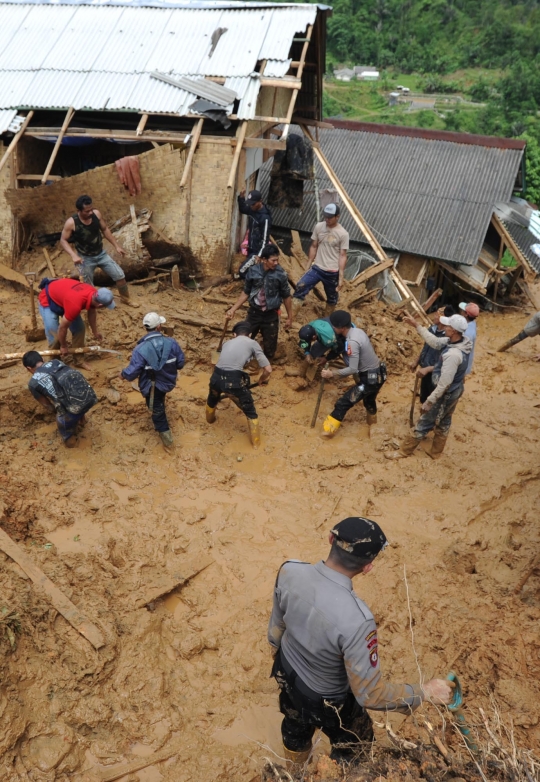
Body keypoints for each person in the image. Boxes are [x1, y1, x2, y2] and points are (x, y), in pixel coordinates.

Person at [268, 516, 454, 767]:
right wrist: (425, 692)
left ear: (330, 539)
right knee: (356, 745)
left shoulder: (290, 569)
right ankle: (335, 772)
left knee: (294, 727)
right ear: (368, 567)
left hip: (286, 671)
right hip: (328, 700)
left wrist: (284, 664)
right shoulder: (358, 620)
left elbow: (275, 632)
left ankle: (294, 768)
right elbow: (370, 695)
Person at [386, 313, 472, 460]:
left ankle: (403, 451)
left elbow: (444, 385)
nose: (444, 327)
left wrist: (429, 401)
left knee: (425, 421)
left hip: (446, 393)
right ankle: (435, 452)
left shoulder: (453, 355)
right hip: (455, 390)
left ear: (454, 331)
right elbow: (434, 342)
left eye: (448, 326)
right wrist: (417, 326)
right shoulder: (458, 341)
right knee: (445, 420)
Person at [120, 313, 185, 448]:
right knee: (159, 399)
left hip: (152, 386)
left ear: (146, 327)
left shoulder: (140, 349)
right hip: (168, 382)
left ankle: (168, 444)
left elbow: (132, 372)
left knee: (158, 413)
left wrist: (123, 374)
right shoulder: (172, 343)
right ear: (159, 326)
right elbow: (180, 363)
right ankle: (159, 405)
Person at [206, 320, 272, 448]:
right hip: (233, 380)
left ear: (234, 335)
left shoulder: (227, 343)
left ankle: (209, 421)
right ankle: (256, 444)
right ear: (250, 334)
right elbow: (268, 369)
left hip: (215, 377)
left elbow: (217, 362)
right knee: (250, 410)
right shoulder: (252, 343)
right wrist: (262, 379)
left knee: (212, 398)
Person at [60, 195, 137, 306]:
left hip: (101, 254)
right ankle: (93, 304)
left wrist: (117, 246)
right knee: (88, 285)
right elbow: (63, 240)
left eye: (91, 209)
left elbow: (105, 229)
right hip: (84, 258)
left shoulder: (96, 214)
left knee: (120, 275)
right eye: (87, 211)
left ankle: (126, 298)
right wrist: (73, 255)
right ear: (79, 211)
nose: (90, 212)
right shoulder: (72, 223)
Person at [320, 310, 386, 437]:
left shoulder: (352, 342)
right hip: (379, 375)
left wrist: (331, 374)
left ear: (342, 328)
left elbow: (352, 369)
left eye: (335, 326)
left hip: (369, 380)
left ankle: (327, 431)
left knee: (344, 402)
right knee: (369, 401)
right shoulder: (358, 331)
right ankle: (373, 424)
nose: (333, 328)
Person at [226, 244, 293, 360]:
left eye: (277, 260)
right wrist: (233, 309)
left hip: (271, 314)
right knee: (245, 339)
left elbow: (286, 296)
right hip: (254, 313)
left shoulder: (281, 274)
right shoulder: (253, 271)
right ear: (264, 260)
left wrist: (290, 317)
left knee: (270, 345)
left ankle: (266, 365)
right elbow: (246, 292)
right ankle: (244, 360)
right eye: (273, 260)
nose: (276, 263)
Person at [23, 350, 98, 448]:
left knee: (61, 420)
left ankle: (71, 442)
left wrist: (58, 412)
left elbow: (48, 405)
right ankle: (82, 420)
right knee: (73, 395)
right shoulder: (56, 362)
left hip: (73, 409)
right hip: (90, 397)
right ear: (43, 359)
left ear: (28, 368)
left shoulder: (33, 383)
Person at [38, 277, 115, 369]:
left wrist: (95, 331)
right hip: (49, 299)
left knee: (80, 329)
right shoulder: (75, 304)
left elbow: (92, 312)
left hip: (65, 297)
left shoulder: (94, 294)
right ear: (100, 305)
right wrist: (63, 346)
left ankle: (79, 360)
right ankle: (55, 362)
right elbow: (62, 328)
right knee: (53, 332)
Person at [292, 204, 349, 317]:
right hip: (317, 268)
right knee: (301, 285)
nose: (327, 219)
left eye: (330, 217)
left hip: (332, 272)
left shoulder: (343, 234)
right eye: (325, 216)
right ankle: (291, 316)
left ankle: (326, 319)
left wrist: (341, 277)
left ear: (337, 216)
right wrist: (308, 264)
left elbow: (343, 255)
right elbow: (314, 246)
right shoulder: (319, 227)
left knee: (332, 298)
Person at [411, 305, 454, 403]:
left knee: (433, 401)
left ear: (444, 319)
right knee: (423, 399)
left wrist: (428, 369)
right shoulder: (432, 329)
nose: (434, 316)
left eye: (437, 315)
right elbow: (425, 347)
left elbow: (445, 364)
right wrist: (417, 361)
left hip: (436, 374)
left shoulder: (448, 338)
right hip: (424, 371)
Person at [290, 318, 345, 389]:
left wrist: (326, 358)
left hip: (344, 336)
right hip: (329, 331)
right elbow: (307, 342)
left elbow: (339, 349)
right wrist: (307, 353)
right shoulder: (310, 326)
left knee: (350, 363)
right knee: (313, 353)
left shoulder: (328, 339)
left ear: (314, 337)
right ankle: (302, 373)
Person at [236, 189, 272, 279]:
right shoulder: (253, 210)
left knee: (242, 271)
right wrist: (241, 198)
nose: (251, 206)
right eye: (250, 204)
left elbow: (265, 239)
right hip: (250, 248)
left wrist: (259, 255)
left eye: (253, 204)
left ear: (260, 201)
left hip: (256, 251)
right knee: (250, 270)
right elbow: (243, 209)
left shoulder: (265, 217)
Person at [458, 302, 479, 375]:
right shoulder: (472, 323)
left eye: (462, 311)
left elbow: (462, 352)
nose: (460, 312)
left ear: (466, 314)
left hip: (461, 367)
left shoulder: (467, 333)